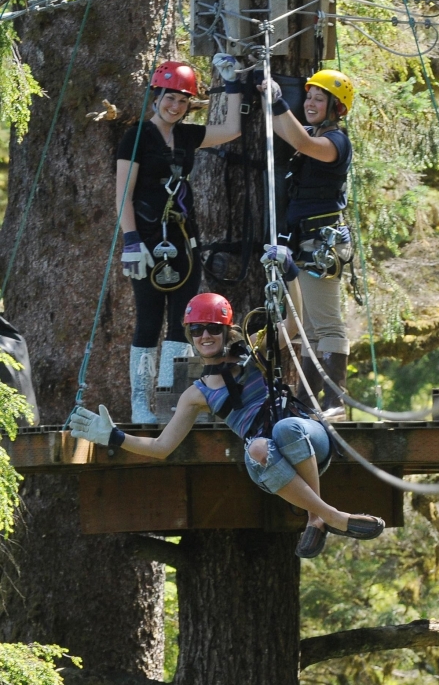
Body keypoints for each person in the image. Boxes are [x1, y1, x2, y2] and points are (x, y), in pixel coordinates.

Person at [70, 259, 385, 559]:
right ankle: (328, 516)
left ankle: (317, 518)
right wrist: (115, 437)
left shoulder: (254, 352)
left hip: (306, 438)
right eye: (196, 330)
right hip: (267, 458)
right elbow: (161, 447)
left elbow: (292, 323)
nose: (204, 335)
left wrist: (290, 274)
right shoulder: (196, 394)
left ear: (225, 330)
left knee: (285, 428)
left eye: (211, 328)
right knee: (259, 447)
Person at [117, 55, 242, 423]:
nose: (175, 106)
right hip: (147, 240)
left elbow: (232, 127)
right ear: (156, 96)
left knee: (181, 324)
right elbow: (123, 193)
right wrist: (130, 240)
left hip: (184, 241)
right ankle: (140, 403)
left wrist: (231, 83)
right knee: (148, 321)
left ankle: (168, 399)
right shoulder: (136, 136)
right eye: (169, 97)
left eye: (183, 100)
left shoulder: (187, 136)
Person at [257, 69, 354, 421]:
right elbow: (287, 130)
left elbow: (300, 142)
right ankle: (308, 400)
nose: (311, 104)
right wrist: (267, 97)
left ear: (335, 108)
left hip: (321, 240)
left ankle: (335, 402)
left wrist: (281, 100)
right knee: (310, 328)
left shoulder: (335, 143)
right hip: (305, 240)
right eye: (309, 97)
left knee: (327, 324)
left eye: (319, 99)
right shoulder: (315, 133)